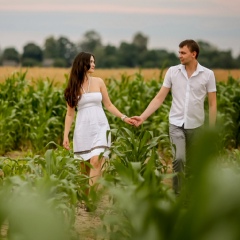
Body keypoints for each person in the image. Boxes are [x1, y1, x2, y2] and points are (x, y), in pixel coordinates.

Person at [131, 39, 217, 195]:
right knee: (179, 159)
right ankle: (177, 195)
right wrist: (142, 117)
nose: (180, 56)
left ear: (193, 54)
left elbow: (212, 105)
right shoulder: (172, 72)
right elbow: (159, 98)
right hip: (176, 124)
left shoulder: (208, 75)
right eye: (179, 52)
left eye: (183, 53)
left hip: (197, 126)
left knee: (192, 164)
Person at [63, 52, 134, 196]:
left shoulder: (99, 82)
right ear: (82, 63)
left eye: (94, 61)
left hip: (101, 126)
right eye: (91, 61)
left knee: (96, 160)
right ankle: (85, 195)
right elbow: (70, 113)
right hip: (83, 129)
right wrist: (65, 136)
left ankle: (92, 199)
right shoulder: (72, 87)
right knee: (84, 167)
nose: (94, 64)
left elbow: (109, 105)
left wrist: (124, 117)